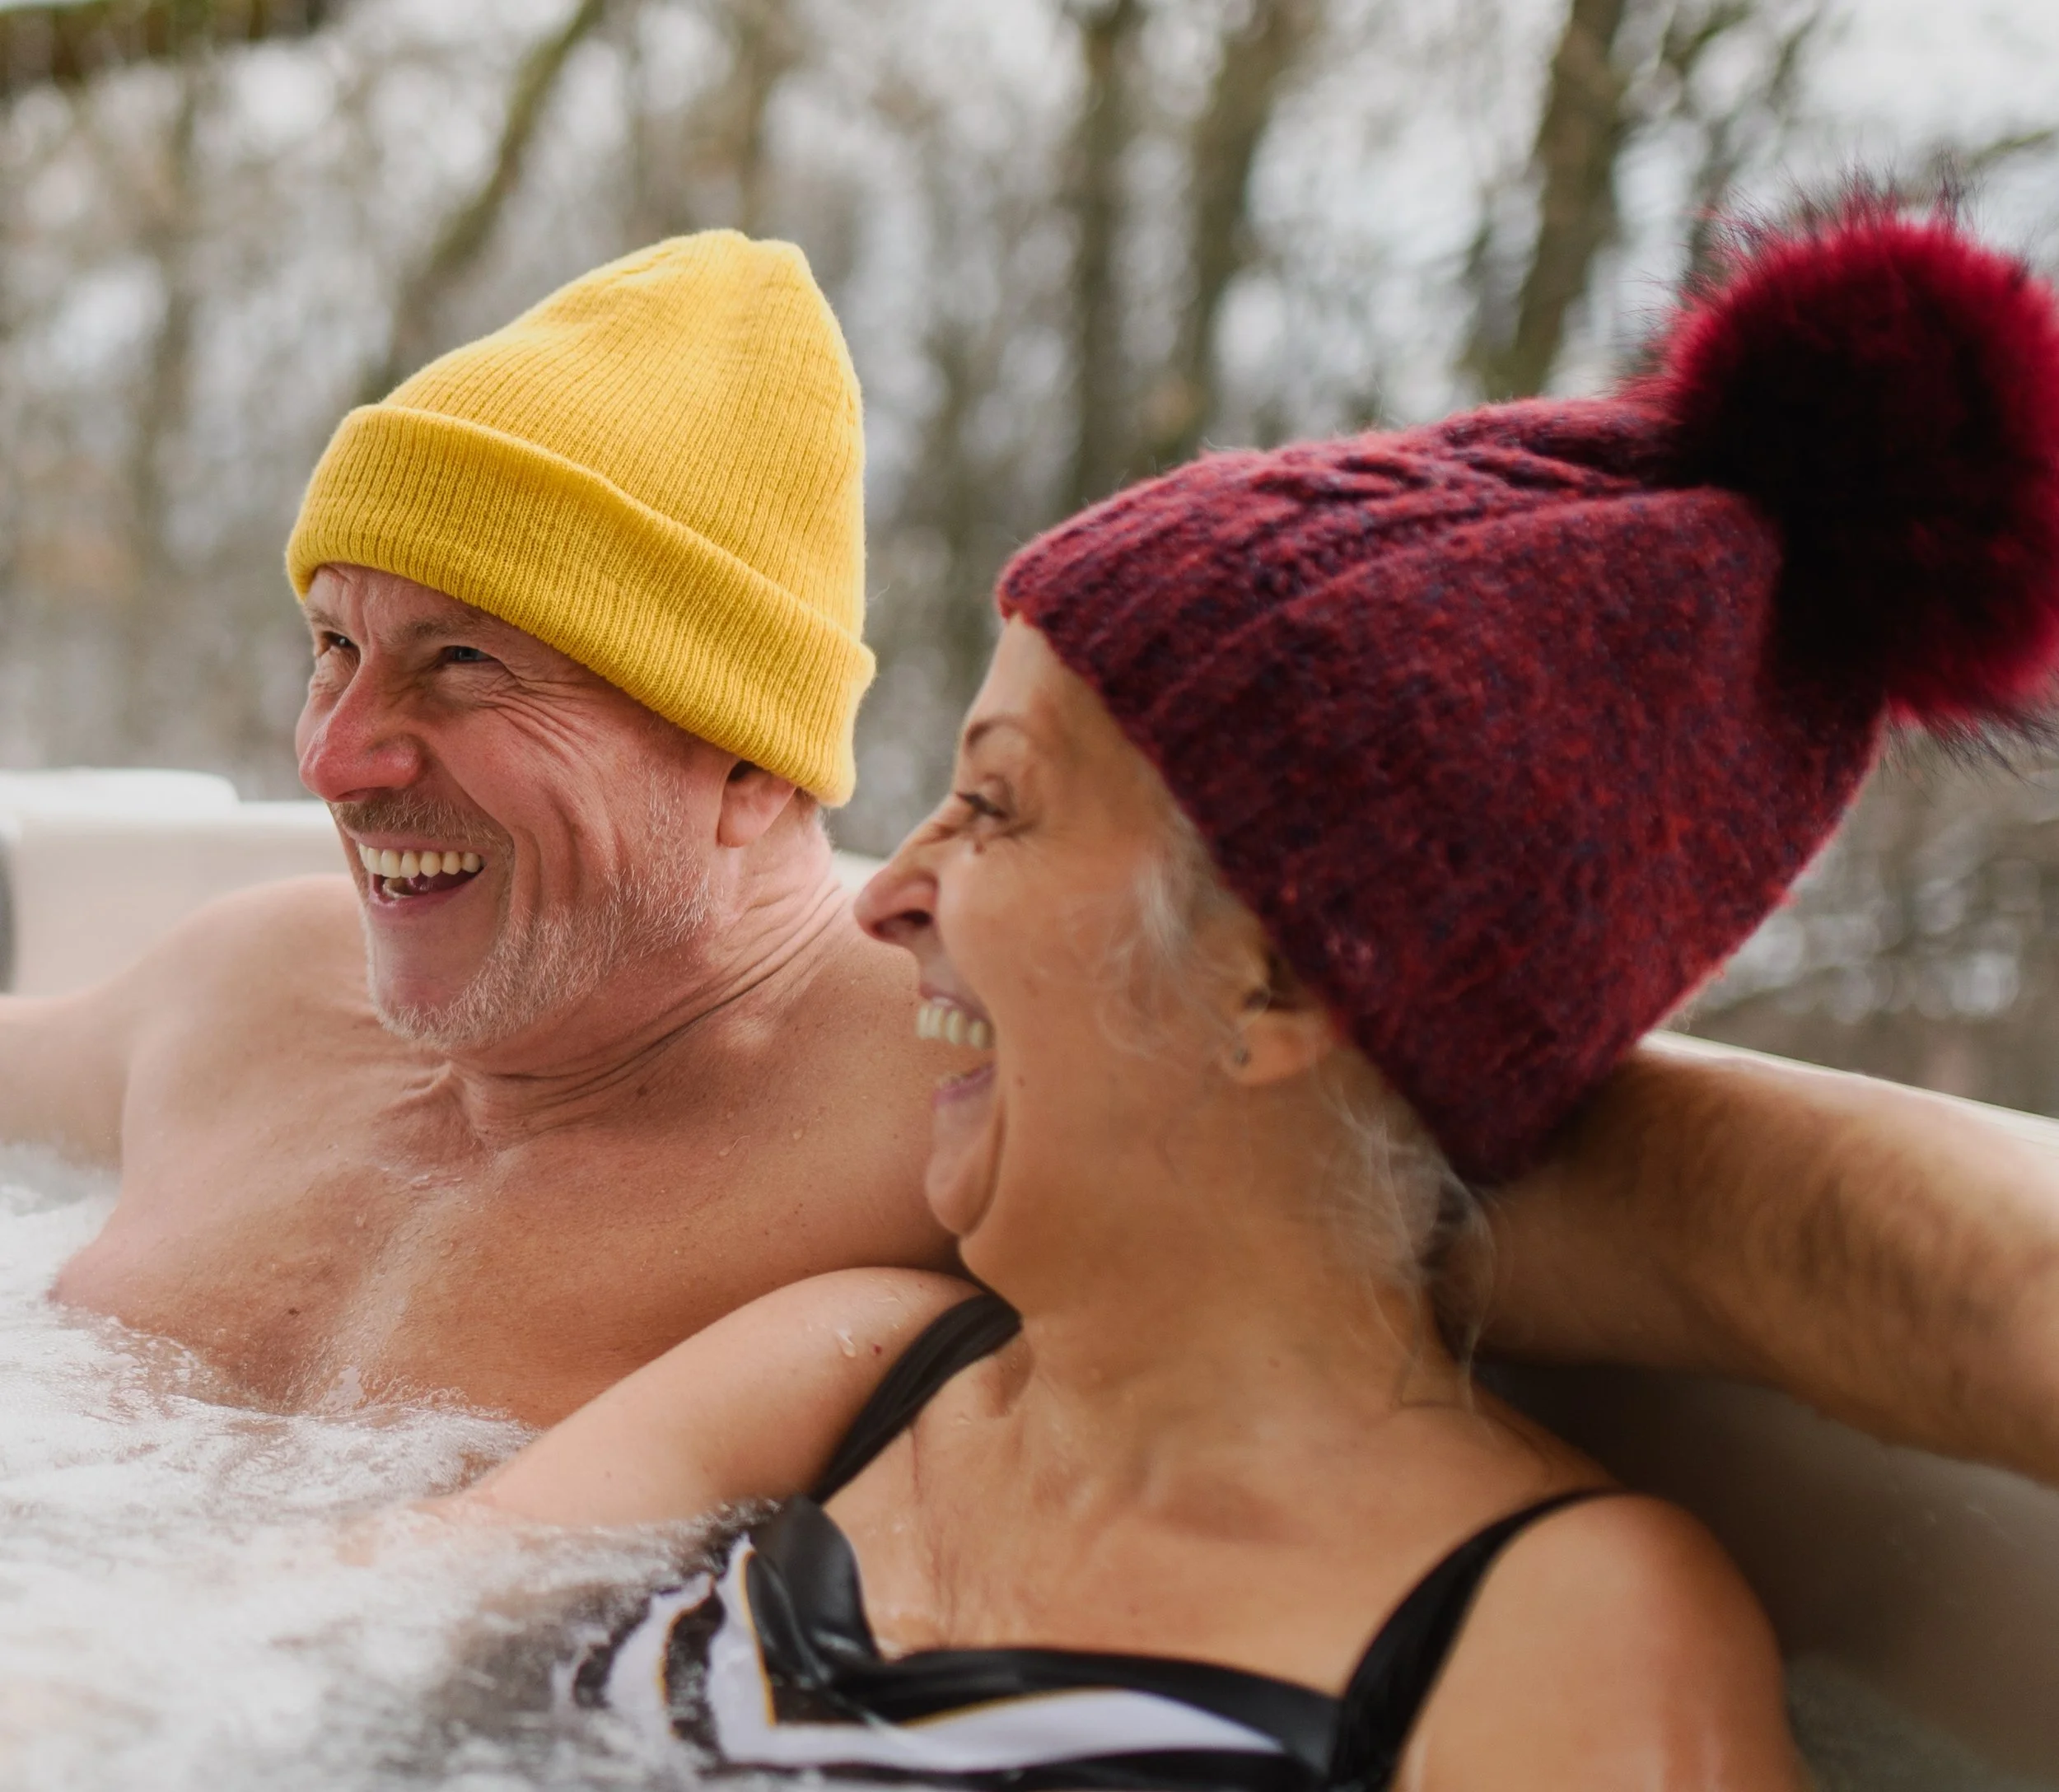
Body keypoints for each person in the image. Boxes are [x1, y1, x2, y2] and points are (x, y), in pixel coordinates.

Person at [0, 225, 2057, 1493]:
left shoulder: (990, 1079)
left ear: (742, 755)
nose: (339, 753)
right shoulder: (242, 981)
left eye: (460, 665)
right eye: (331, 645)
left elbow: (1738, 1227)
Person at [441, 202, 2059, 1792]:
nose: (886, 888)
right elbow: (278, 1654)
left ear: (1280, 974)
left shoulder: (1555, 1633)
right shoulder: (847, 1371)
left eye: (995, 804)